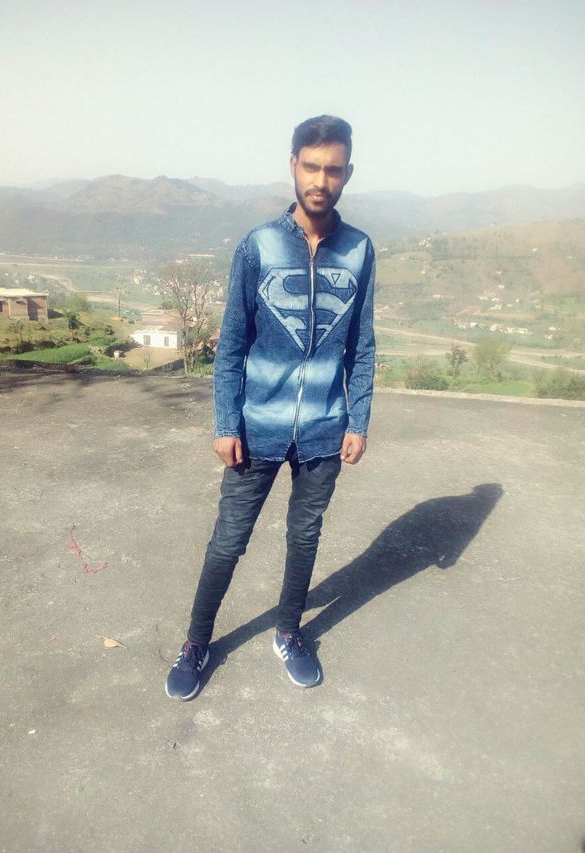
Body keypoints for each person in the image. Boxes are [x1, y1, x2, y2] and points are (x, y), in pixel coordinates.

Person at [165, 115, 376, 699]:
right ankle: (196, 642)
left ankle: (289, 632)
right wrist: (225, 422)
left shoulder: (359, 250)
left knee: (304, 538)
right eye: (311, 166)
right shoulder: (258, 245)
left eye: (333, 169)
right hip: (256, 426)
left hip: (325, 428)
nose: (321, 180)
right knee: (228, 541)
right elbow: (232, 343)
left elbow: (362, 344)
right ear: (293, 166)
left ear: (348, 174)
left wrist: (358, 419)